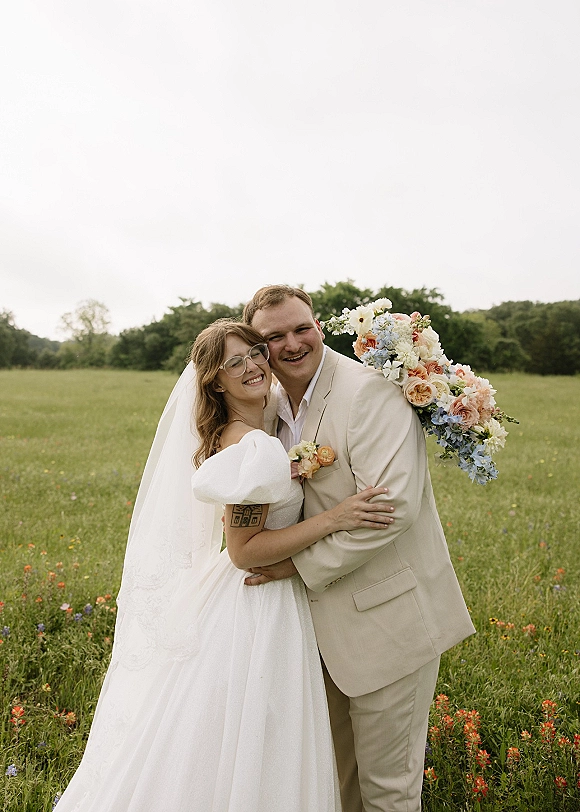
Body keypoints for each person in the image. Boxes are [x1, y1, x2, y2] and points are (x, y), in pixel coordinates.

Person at [54, 319, 396, 812]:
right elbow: (244, 550)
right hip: (257, 604)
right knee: (255, 734)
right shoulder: (251, 446)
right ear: (215, 379)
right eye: (234, 362)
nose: (254, 365)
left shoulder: (257, 431)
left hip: (261, 598)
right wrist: (335, 519)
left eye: (256, 352)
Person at [243, 285, 476, 812]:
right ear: (258, 349)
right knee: (336, 784)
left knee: (388, 792)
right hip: (311, 635)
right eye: (273, 336)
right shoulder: (273, 406)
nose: (293, 343)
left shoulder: (366, 392)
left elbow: (390, 510)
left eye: (302, 327)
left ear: (318, 325)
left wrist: (294, 567)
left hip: (387, 622)